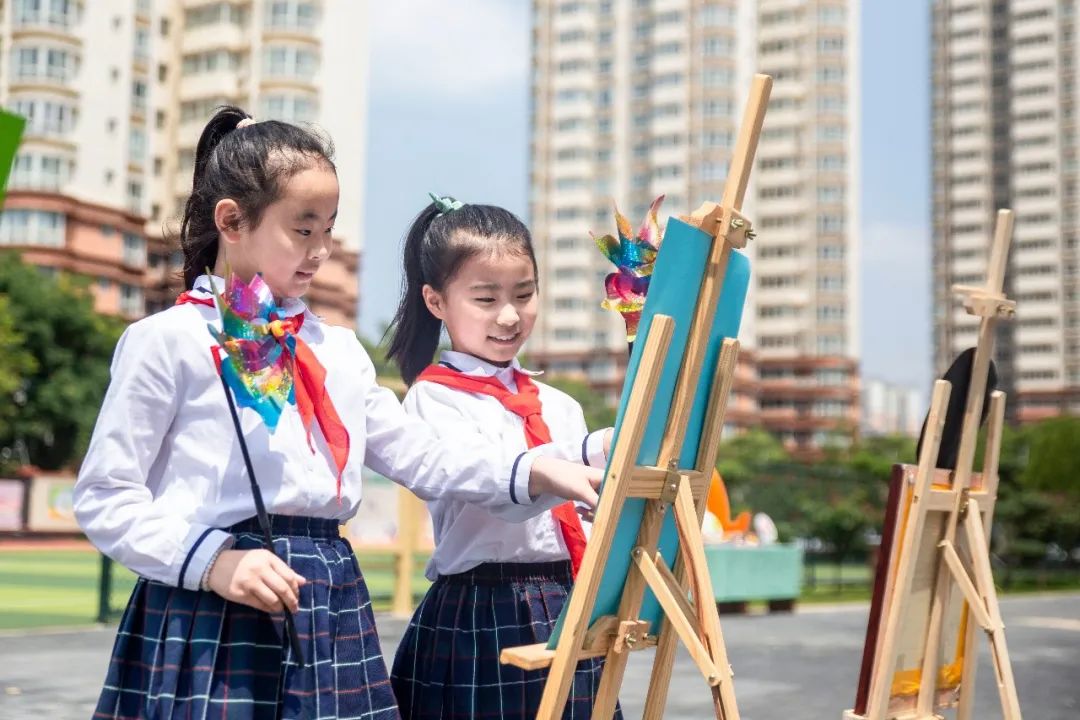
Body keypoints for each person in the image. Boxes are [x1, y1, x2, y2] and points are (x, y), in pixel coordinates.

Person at [74, 109, 602, 720]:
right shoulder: (168, 340)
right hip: (211, 597)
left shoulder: (337, 349)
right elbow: (106, 496)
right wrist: (214, 562)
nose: (321, 251)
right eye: (303, 230)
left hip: (328, 594)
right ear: (232, 221)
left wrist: (541, 471)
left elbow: (423, 455)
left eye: (328, 229)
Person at [387, 194, 619, 719]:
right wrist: (561, 466)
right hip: (480, 608)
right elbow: (493, 486)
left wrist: (616, 449)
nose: (510, 316)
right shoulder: (434, 398)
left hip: (565, 598)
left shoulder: (559, 405)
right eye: (486, 299)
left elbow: (582, 509)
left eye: (524, 293)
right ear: (436, 301)